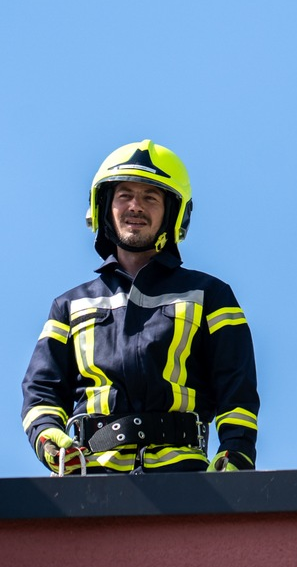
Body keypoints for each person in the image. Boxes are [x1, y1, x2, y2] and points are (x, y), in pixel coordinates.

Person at [20, 140, 260, 474]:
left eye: (150, 197)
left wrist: (237, 452)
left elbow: (238, 388)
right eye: (125, 195)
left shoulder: (211, 295)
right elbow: (41, 390)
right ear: (105, 206)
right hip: (87, 478)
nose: (136, 206)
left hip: (185, 477)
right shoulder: (68, 306)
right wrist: (47, 435)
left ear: (173, 213)